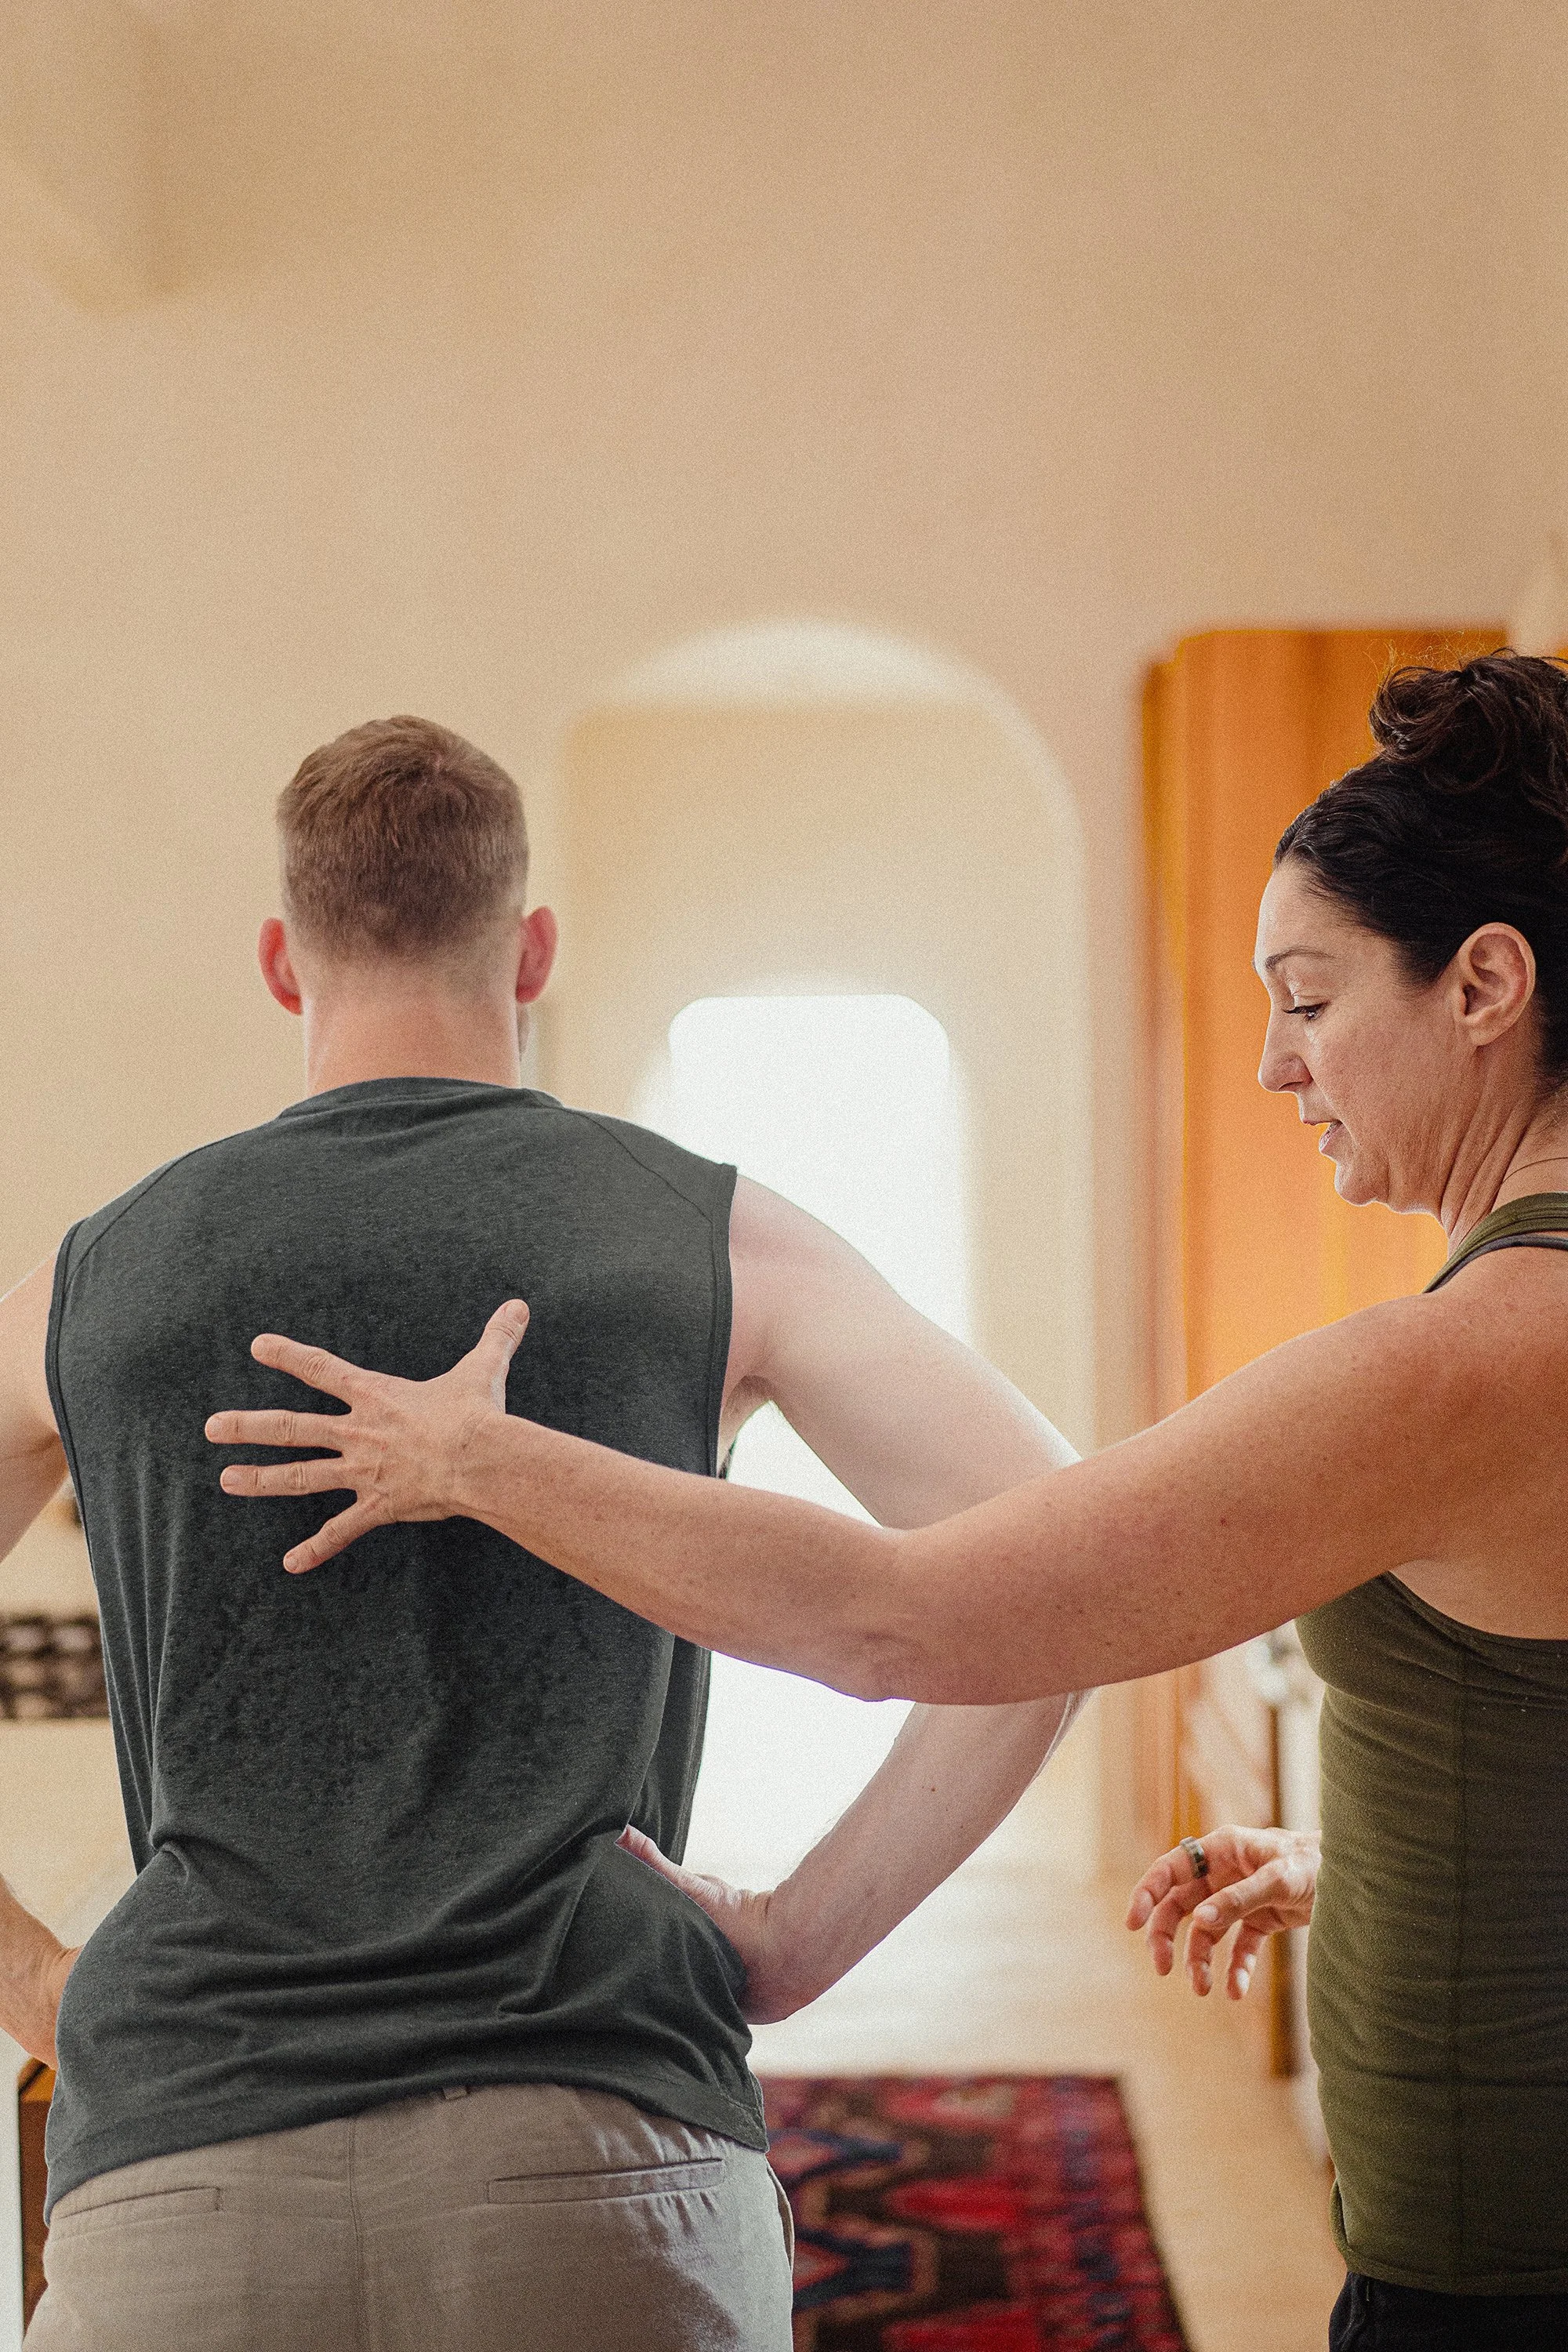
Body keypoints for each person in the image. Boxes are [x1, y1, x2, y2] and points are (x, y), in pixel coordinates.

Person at [215, 652, 1568, 2351]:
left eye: (1304, 1000)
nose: (1272, 1072)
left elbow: (908, 1616)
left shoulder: (1451, 1371)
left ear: (1486, 983)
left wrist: (476, 1460)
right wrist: (1369, 1858)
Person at [0, 713, 1087, 2352]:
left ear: (283, 964)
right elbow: (1056, 1570)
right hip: (599, 2142)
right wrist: (800, 1938)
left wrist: (36, 1983)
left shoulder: (100, 1274)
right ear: (534, 950)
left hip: (179, 2171)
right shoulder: (706, 1231)